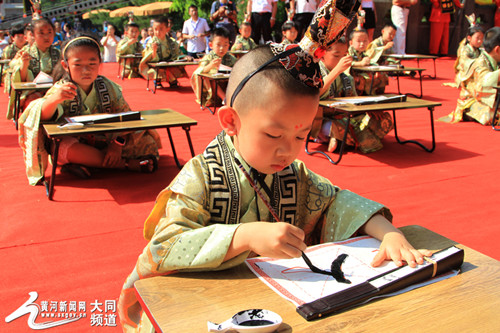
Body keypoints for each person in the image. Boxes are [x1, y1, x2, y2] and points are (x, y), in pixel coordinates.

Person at [118, 1, 430, 331]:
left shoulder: (292, 175)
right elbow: (163, 246)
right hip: (207, 303)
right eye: (273, 134)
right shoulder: (201, 176)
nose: (287, 151)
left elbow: (338, 201)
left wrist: (389, 234)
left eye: (301, 136)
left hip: (276, 303)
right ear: (230, 121)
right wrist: (244, 235)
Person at [18, 36, 160, 185]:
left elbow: (127, 117)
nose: (86, 70)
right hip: (77, 144)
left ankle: (88, 164)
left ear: (100, 63)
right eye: (78, 65)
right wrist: (54, 99)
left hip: (107, 140)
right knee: (64, 148)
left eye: (92, 63)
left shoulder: (108, 86)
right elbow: (45, 117)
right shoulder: (62, 88)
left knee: (148, 142)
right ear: (65, 66)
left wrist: (117, 144)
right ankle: (124, 164)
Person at [317, 37, 394, 154]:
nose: (341, 60)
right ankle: (333, 137)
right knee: (333, 126)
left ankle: (341, 139)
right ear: (322, 56)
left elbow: (354, 100)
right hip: (321, 119)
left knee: (383, 120)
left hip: (345, 117)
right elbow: (316, 94)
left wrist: (370, 108)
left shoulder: (347, 78)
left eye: (344, 56)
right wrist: (336, 70)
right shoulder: (314, 73)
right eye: (336, 56)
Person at [439, 27, 500, 126]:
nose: (479, 41)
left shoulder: (490, 57)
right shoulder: (480, 63)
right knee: (491, 114)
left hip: (490, 100)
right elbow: (484, 83)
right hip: (472, 101)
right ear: (497, 49)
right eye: (477, 38)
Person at [6, 18, 60, 120]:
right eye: (41, 33)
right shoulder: (26, 52)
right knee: (34, 103)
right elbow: (20, 78)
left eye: (49, 32)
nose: (46, 36)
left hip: (54, 90)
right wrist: (24, 65)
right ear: (33, 35)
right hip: (34, 92)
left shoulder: (58, 53)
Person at [191, 27, 237, 106]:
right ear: (211, 45)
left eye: (225, 45)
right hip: (213, 87)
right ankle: (224, 99)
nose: (222, 48)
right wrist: (210, 66)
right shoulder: (208, 57)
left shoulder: (231, 58)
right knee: (211, 80)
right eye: (218, 45)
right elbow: (199, 71)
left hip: (227, 84)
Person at [140, 16, 187, 87]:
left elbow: (177, 54)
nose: (158, 32)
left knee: (175, 68)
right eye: (155, 29)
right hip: (156, 66)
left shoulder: (172, 41)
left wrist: (184, 57)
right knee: (158, 71)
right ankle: (158, 80)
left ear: (167, 29)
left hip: (169, 64)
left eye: (161, 29)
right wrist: (154, 51)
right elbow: (148, 60)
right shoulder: (151, 42)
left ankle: (171, 79)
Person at [349, 28, 387, 95]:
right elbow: (348, 63)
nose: (362, 44)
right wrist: (360, 63)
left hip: (362, 72)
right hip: (352, 74)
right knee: (363, 79)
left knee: (382, 74)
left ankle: (377, 93)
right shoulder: (349, 52)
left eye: (365, 41)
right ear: (351, 43)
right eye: (359, 41)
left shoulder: (363, 53)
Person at [453, 23, 484, 87]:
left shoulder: (479, 50)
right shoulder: (464, 50)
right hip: (465, 76)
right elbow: (465, 64)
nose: (479, 41)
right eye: (477, 38)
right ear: (469, 38)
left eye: (481, 39)